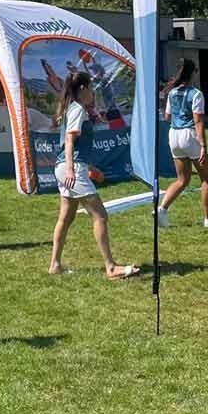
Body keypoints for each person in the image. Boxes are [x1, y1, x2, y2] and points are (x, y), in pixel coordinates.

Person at [48, 72, 140, 280]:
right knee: (100, 215)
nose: (93, 93)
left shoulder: (72, 109)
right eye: (91, 88)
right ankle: (111, 267)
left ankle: (54, 265)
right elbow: (70, 142)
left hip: (67, 167)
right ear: (82, 89)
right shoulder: (78, 109)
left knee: (66, 217)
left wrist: (88, 167)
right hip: (70, 169)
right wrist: (73, 169)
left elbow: (74, 145)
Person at [157, 58, 208, 228]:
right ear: (192, 73)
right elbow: (198, 121)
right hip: (190, 135)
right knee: (206, 179)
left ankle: (161, 209)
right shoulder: (196, 93)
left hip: (174, 135)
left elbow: (167, 116)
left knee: (182, 180)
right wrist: (203, 147)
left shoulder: (172, 93)